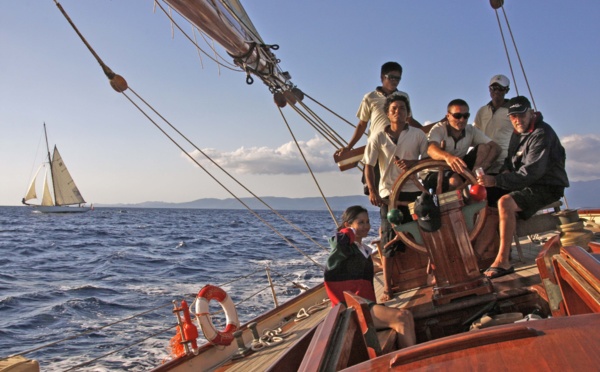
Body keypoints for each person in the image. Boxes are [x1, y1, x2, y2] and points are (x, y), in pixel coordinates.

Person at [477, 96, 569, 279]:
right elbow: (511, 162)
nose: (517, 120)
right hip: (526, 184)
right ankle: (480, 257)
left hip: (547, 186)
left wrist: (496, 181)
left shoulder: (542, 134)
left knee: (505, 202)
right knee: (484, 197)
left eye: (521, 115)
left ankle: (503, 261)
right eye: (513, 117)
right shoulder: (517, 133)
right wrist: (499, 174)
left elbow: (531, 173)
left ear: (531, 113)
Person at [363, 95, 428, 301]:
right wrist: (372, 191)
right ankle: (389, 287)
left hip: (412, 191)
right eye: (393, 109)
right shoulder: (377, 137)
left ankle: (432, 275)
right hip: (389, 194)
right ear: (387, 113)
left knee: (425, 233)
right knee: (389, 240)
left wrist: (413, 163)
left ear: (408, 112)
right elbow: (369, 166)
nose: (397, 111)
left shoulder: (418, 135)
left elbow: (427, 159)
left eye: (401, 108)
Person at [324, 205, 416, 348]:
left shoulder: (360, 250)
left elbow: (357, 271)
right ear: (348, 225)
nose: (366, 226)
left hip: (365, 305)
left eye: (367, 222)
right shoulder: (343, 247)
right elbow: (337, 244)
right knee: (401, 318)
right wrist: (347, 231)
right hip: (350, 310)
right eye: (360, 222)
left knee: (407, 315)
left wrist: (378, 267)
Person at [335, 62, 421, 195]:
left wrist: (427, 132)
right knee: (373, 188)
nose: (394, 81)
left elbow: (409, 120)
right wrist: (349, 147)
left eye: (398, 78)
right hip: (377, 146)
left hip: (398, 146)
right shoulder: (370, 97)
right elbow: (362, 124)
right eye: (391, 77)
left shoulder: (404, 97)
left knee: (400, 186)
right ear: (382, 77)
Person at [426, 98, 501, 190]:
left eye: (466, 116)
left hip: (460, 170)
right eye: (457, 116)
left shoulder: (471, 130)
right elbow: (431, 149)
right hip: (435, 172)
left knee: (485, 147)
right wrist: (448, 157)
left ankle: (475, 180)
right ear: (448, 116)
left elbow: (496, 148)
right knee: (455, 181)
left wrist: (481, 167)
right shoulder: (439, 129)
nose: (462, 119)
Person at [473, 74, 514, 174]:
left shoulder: (513, 112)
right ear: (489, 89)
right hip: (484, 161)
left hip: (504, 163)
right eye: (493, 88)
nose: (496, 91)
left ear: (507, 90)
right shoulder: (482, 111)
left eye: (500, 88)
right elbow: (475, 133)